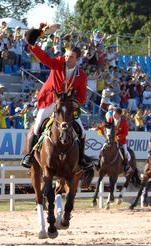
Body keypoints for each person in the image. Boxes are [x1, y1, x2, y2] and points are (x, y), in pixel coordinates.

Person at [21, 30, 91, 169]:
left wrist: (73, 103)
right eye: (66, 56)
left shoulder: (81, 75)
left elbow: (82, 96)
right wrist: (33, 46)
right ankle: (29, 155)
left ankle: (82, 159)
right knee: (37, 126)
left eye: (71, 57)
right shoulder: (59, 63)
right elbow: (45, 59)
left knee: (82, 131)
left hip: (67, 105)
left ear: (77, 59)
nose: (67, 59)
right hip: (50, 100)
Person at [109, 108, 131, 173]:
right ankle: (99, 163)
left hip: (121, 141)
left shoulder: (124, 121)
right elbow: (106, 127)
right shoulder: (110, 119)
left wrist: (118, 137)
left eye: (115, 113)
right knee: (103, 148)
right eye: (113, 113)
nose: (113, 114)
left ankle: (126, 165)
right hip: (111, 140)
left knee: (126, 152)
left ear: (119, 114)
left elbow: (125, 133)